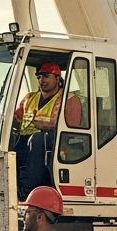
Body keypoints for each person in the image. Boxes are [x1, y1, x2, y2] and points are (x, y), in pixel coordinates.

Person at [10, 62, 83, 199]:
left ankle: (29, 190)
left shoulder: (69, 99)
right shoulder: (29, 98)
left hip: (56, 141)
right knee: (10, 144)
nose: (41, 80)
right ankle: (13, 187)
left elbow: (73, 128)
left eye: (46, 76)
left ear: (57, 78)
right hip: (26, 140)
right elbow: (17, 118)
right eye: (38, 77)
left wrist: (44, 125)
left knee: (38, 140)